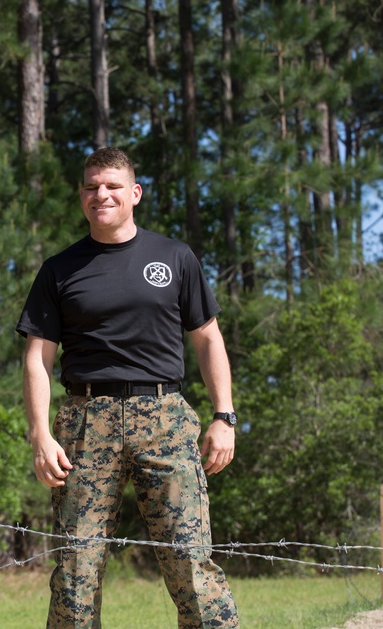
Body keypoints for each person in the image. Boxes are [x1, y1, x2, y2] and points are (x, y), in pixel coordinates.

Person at [16, 146, 240, 629]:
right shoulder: (59, 269)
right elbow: (38, 358)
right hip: (84, 422)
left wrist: (224, 416)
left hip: (164, 416)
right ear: (82, 196)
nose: (103, 194)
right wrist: (40, 434)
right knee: (77, 569)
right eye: (93, 186)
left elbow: (207, 340)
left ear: (134, 193)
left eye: (113, 186)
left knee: (188, 558)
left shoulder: (174, 257)